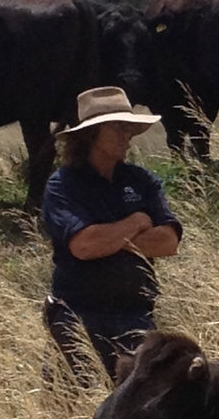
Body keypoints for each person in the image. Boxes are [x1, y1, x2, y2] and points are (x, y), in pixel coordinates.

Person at [41, 85, 182, 386]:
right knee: (63, 412)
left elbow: (168, 243)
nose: (126, 136)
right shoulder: (63, 185)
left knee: (139, 411)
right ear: (90, 134)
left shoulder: (142, 181)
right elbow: (83, 245)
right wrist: (136, 221)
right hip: (76, 316)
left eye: (129, 128)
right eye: (117, 127)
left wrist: (111, 239)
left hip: (135, 315)